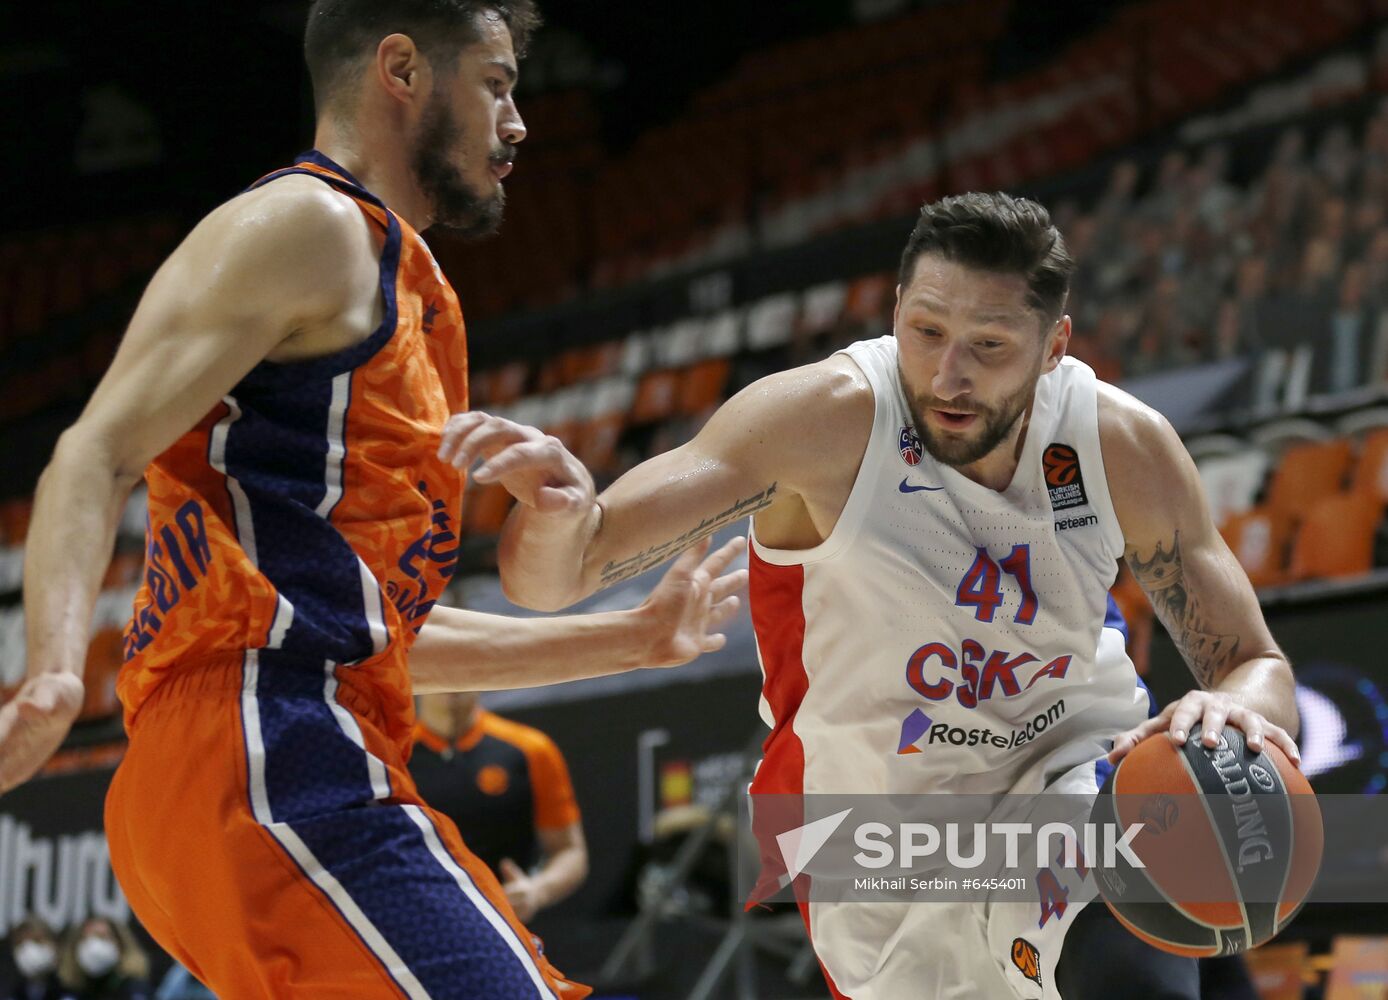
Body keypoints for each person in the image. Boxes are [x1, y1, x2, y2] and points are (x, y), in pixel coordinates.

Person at [0, 1, 747, 996]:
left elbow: (374, 628)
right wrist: (52, 672)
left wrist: (630, 641)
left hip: (265, 759)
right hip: (275, 749)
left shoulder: (411, 290)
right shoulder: (311, 224)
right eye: (494, 83)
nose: (519, 120)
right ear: (401, 69)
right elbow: (93, 451)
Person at [439, 192, 1303, 999]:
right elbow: (559, 577)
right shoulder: (821, 421)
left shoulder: (1121, 444)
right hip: (874, 838)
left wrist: (1240, 711)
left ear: (1055, 346)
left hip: (1073, 761)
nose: (948, 376)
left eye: (990, 346)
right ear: (895, 310)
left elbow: (1252, 661)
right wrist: (556, 514)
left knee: (1150, 894)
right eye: (926, 331)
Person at [411, 692, 587, 922]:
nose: (451, 683)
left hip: (506, 924)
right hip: (417, 922)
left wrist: (536, 891)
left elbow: (570, 850)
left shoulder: (530, 749)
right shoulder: (391, 755)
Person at [54, 919, 149, 1000]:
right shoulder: (69, 990)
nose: (93, 945)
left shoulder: (134, 989)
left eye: (101, 936)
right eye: (86, 938)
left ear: (120, 945)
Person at [5, 917, 74, 1000]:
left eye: (36, 940)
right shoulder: (11, 995)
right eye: (20, 943)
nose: (28, 950)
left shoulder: (71, 994)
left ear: (55, 946)